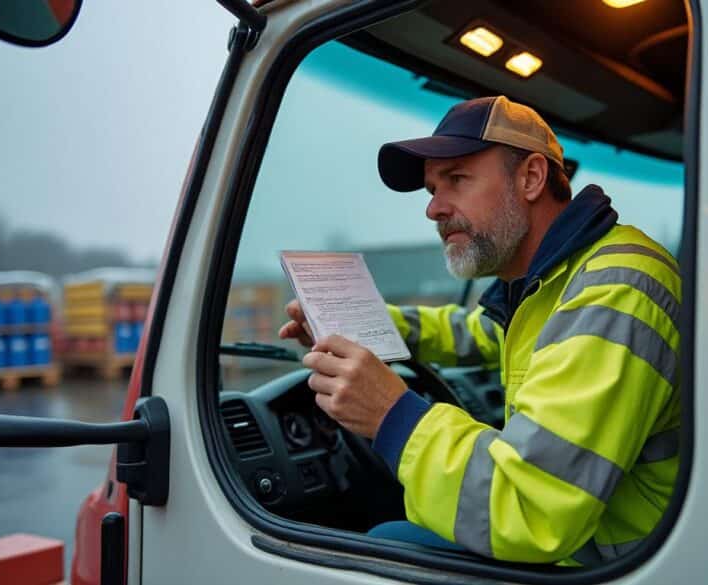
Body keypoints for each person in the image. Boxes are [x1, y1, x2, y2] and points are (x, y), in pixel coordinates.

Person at [279, 95, 681, 565]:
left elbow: (527, 508)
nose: (433, 209)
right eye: (431, 189)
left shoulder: (615, 288)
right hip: (601, 549)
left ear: (530, 177)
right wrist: (368, 325)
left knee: (387, 545)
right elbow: (477, 333)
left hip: (624, 566)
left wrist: (393, 415)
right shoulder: (553, 284)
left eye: (456, 179)